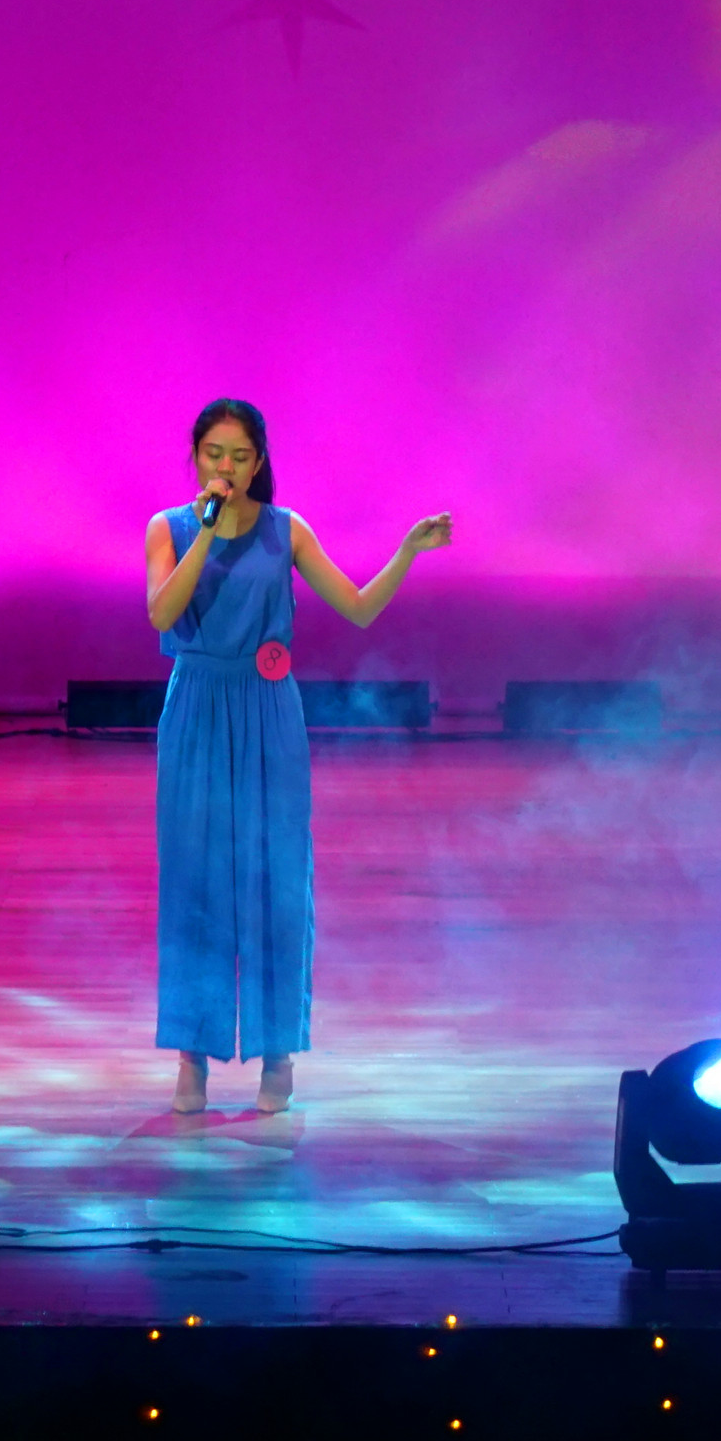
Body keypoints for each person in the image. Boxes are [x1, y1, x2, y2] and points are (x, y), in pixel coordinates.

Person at [141, 398, 451, 1115]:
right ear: (196, 457)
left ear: (259, 462)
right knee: (195, 879)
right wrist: (206, 533)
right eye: (214, 453)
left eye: (239, 455)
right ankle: (192, 1054)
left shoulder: (288, 531)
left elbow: (359, 607)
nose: (226, 466)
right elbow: (161, 612)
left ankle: (277, 1052)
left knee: (275, 877)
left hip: (268, 710)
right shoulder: (169, 528)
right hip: (196, 709)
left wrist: (406, 551)